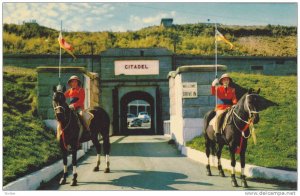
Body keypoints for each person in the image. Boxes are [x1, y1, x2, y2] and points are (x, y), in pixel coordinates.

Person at [56, 75, 85, 141]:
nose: (73, 83)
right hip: (71, 108)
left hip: (79, 108)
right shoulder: (70, 91)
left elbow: (81, 101)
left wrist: (74, 105)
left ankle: (86, 131)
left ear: (78, 83)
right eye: (72, 82)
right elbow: (62, 97)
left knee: (82, 118)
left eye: (75, 82)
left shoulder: (81, 90)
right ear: (70, 83)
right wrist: (59, 90)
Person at [211, 73, 237, 142]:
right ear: (222, 81)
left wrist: (234, 104)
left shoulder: (232, 90)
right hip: (221, 108)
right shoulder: (218, 89)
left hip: (229, 107)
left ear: (229, 81)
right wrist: (213, 85)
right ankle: (217, 132)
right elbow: (213, 92)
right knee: (219, 116)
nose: (226, 81)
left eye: (227, 80)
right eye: (224, 80)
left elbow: (234, 99)